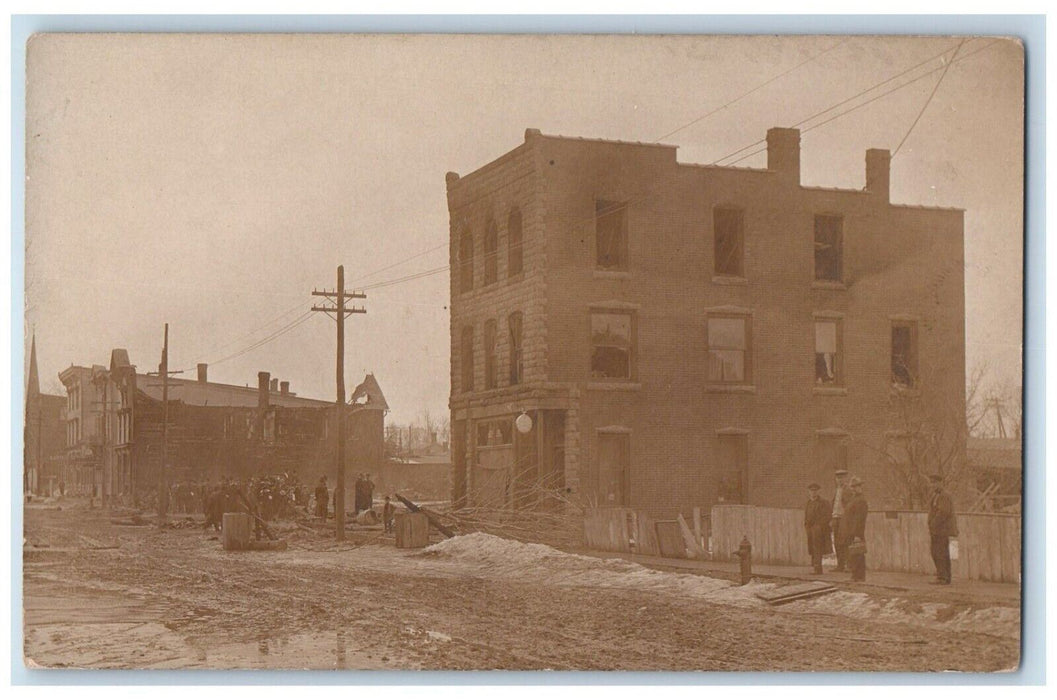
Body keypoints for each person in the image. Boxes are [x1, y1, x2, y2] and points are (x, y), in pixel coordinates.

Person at [927, 473, 958, 585]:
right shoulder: (937, 496)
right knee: (938, 552)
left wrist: (933, 524)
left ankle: (943, 577)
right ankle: (943, 577)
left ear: (940, 483)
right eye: (931, 483)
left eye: (934, 483)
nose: (932, 485)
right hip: (937, 530)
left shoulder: (944, 496)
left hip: (941, 530)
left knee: (939, 553)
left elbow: (943, 512)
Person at [844, 476, 869, 582]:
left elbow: (860, 519)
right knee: (854, 553)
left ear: (860, 487)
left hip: (857, 530)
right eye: (853, 487)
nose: (854, 489)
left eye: (856, 486)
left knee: (858, 553)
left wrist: (857, 533)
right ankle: (856, 575)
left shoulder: (861, 500)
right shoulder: (853, 499)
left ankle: (859, 576)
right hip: (850, 530)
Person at [803, 482, 832, 574]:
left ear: (818, 492)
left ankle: (818, 569)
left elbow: (827, 516)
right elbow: (807, 516)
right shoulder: (808, 502)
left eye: (815, 491)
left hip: (819, 529)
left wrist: (819, 526)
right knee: (812, 548)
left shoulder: (824, 502)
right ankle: (815, 567)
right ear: (809, 492)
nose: (813, 493)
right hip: (810, 529)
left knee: (817, 548)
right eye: (811, 491)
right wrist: (807, 526)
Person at [829, 468, 851, 572]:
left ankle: (848, 565)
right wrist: (831, 518)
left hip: (844, 518)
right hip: (835, 518)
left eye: (842, 478)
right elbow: (833, 505)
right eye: (838, 478)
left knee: (845, 541)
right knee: (837, 542)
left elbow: (850, 506)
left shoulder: (848, 490)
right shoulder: (836, 490)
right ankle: (840, 565)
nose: (840, 480)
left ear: (846, 478)